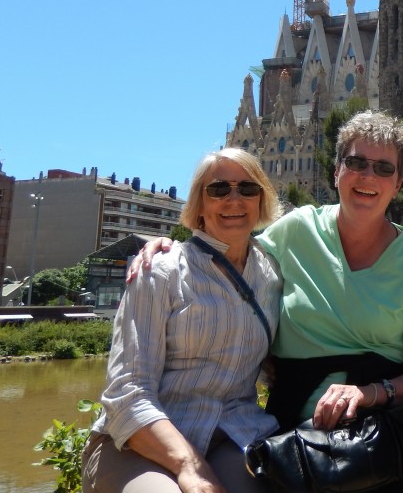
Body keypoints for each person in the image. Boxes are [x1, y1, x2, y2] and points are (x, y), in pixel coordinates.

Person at [130, 110, 403, 434]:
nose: (368, 176)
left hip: (377, 433)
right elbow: (231, 253)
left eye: (383, 168)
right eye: (356, 163)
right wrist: (175, 246)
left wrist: (370, 394)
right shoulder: (298, 230)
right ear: (337, 171)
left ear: (398, 184)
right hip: (291, 433)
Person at [82, 148, 283, 493]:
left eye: (247, 189)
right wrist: (191, 467)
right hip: (141, 441)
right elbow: (127, 391)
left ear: (261, 199)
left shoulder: (272, 275)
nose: (234, 199)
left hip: (233, 435)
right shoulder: (160, 271)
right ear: (199, 204)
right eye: (219, 189)